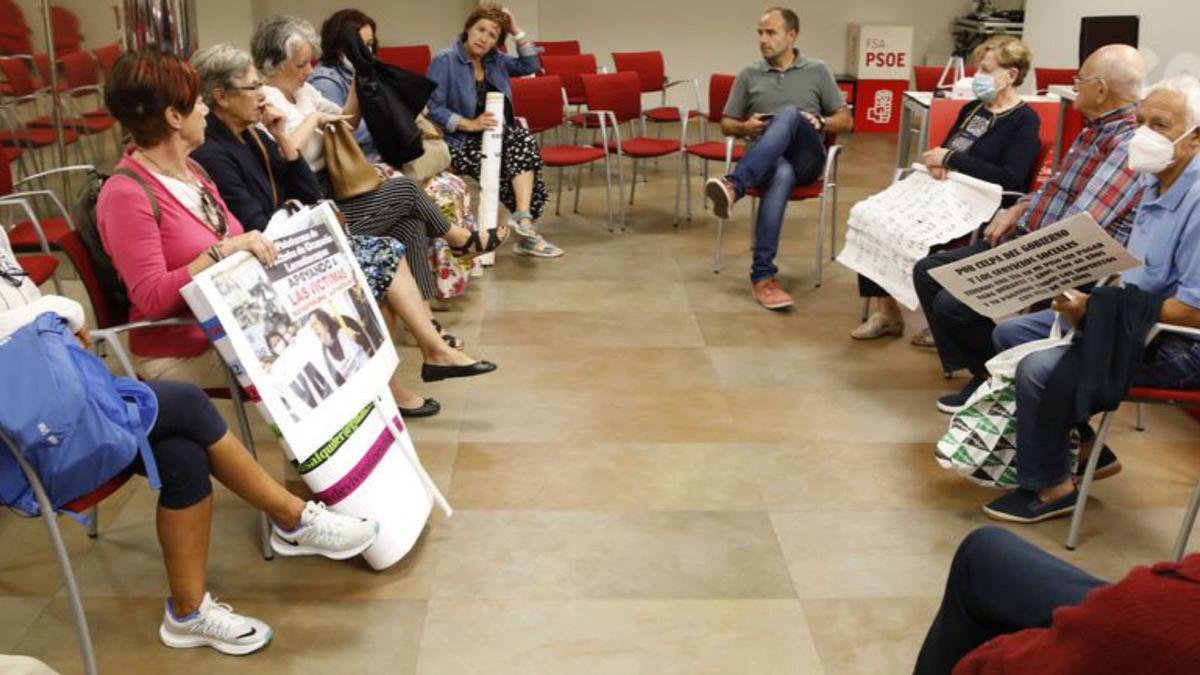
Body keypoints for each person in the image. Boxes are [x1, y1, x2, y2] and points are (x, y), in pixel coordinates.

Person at [0, 225, 379, 657]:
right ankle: (292, 520)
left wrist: (56, 324)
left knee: (183, 456)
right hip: (29, 446)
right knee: (183, 402)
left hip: (69, 405)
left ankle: (187, 613)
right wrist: (61, 310)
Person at [190, 43, 497, 414]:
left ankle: (427, 353)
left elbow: (300, 190)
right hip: (269, 260)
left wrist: (283, 139)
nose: (261, 95)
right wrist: (309, 219)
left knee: (390, 244)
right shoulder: (213, 150)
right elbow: (257, 223)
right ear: (221, 97)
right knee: (377, 255)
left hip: (293, 238)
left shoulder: (252, 133)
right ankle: (415, 365)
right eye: (253, 88)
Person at [980, 75, 1200, 523]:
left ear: (1194, 139)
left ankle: (1050, 487)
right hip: (1134, 317)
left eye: (1159, 125)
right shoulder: (1155, 180)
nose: (1141, 135)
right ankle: (1080, 452)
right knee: (1013, 332)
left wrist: (1097, 311)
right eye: (1139, 121)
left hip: (1181, 344)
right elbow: (1138, 271)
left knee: (1039, 369)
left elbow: (1194, 313)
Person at [915, 44, 1146, 413]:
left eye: (1080, 80)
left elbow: (1080, 227)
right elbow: (1055, 188)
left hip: (1062, 257)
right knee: (928, 272)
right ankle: (990, 373)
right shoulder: (1092, 132)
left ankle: (998, 379)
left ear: (1101, 89)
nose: (1073, 86)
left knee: (953, 301)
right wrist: (1019, 208)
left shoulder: (1127, 143)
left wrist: (1017, 250)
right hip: (1029, 238)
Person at [251, 14, 509, 305]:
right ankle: (459, 239)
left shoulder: (304, 91)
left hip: (336, 189)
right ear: (274, 64)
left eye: (311, 62)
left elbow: (346, 123)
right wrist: (313, 120)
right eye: (301, 65)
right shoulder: (265, 100)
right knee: (408, 189)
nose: (309, 71)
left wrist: (359, 77)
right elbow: (285, 154)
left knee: (410, 225)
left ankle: (424, 320)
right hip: (312, 201)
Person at [97, 49, 278, 389]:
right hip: (181, 351)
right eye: (197, 101)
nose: (206, 108)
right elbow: (152, 300)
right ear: (173, 117)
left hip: (231, 326)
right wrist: (222, 253)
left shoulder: (192, 170)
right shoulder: (126, 195)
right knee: (305, 349)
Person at [852, 36, 1041, 341]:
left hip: (982, 201)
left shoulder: (1023, 120)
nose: (977, 76)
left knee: (905, 227)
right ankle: (887, 312)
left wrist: (951, 159)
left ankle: (940, 321)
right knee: (871, 215)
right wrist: (938, 161)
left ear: (1011, 76)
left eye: (986, 69)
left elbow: (1010, 178)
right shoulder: (974, 109)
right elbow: (950, 149)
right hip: (943, 189)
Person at [309, 8, 481, 303]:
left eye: (371, 43)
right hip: (359, 167)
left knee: (453, 186)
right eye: (362, 44)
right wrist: (389, 119)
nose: (369, 50)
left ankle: (444, 283)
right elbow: (344, 133)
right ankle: (452, 256)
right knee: (431, 195)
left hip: (383, 157)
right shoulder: (326, 80)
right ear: (341, 45)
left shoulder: (363, 71)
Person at [704, 6, 853, 310]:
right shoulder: (749, 74)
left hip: (807, 159)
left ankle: (735, 185)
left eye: (770, 32)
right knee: (781, 172)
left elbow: (846, 121)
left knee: (789, 114)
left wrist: (821, 123)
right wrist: (745, 127)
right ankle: (763, 278)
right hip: (769, 162)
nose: (763, 39)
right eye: (760, 33)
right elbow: (727, 123)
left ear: (792, 35)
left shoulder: (818, 70)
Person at [914, 527, 1200, 674]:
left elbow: (1002, 667)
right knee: (986, 554)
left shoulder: (1150, 616)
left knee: (980, 558)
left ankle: (1053, 482)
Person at [426, 3, 564, 258]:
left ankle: (522, 220)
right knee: (515, 160)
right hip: (458, 141)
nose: (485, 38)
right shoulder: (444, 60)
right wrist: (468, 123)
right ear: (468, 29)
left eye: (492, 35)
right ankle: (527, 233)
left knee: (520, 142)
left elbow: (531, 65)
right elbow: (433, 107)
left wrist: (516, 31)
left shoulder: (495, 61)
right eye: (481, 30)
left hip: (495, 137)